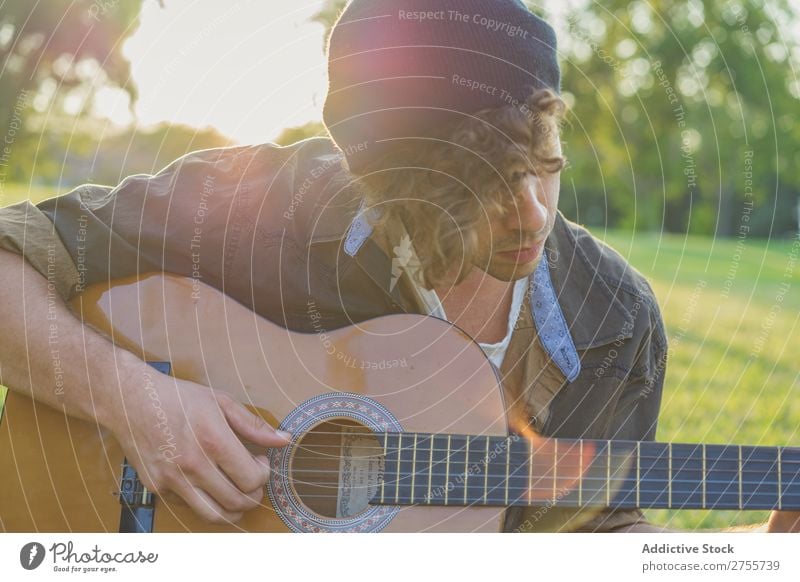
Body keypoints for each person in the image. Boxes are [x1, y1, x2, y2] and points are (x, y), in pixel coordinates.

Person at [0, 0, 796, 532]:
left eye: (544, 165)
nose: (532, 213)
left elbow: (591, 535)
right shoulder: (259, 205)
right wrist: (135, 400)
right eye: (481, 185)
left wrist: (754, 558)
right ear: (383, 176)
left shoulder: (613, 322)